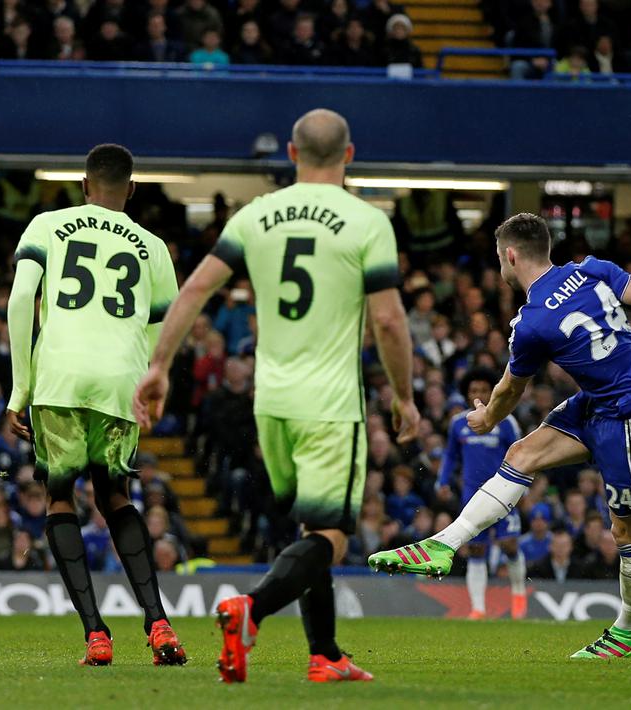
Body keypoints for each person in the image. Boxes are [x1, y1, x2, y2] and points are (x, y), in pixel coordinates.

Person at [370, 212, 631, 659]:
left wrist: (486, 419)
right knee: (521, 453)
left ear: (509, 255)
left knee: (627, 529)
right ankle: (443, 545)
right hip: (599, 401)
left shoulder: (530, 325)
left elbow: (509, 389)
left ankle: (629, 630)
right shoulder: (592, 270)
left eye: (499, 260)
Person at [134, 109, 420, 683]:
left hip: (272, 404)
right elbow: (388, 322)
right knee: (334, 536)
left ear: (290, 154)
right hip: (330, 404)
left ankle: (326, 655)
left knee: (312, 532)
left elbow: (194, 289)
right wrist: (404, 396)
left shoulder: (254, 216)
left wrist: (159, 365)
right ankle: (251, 610)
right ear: (349, 155)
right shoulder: (367, 222)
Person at [5, 144, 187, 667]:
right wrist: (153, 384)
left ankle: (96, 635)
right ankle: (158, 624)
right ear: (131, 189)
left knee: (60, 498)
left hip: (59, 378)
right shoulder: (153, 246)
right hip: (120, 382)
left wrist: (21, 388)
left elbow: (21, 300)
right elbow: (164, 328)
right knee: (115, 497)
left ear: (84, 186)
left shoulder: (47, 225)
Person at [438, 368, 527, 620]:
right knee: (476, 549)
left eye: (483, 390)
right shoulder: (458, 423)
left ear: (492, 392)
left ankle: (518, 594)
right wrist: (443, 481)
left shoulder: (506, 422)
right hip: (471, 493)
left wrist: (524, 487)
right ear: (467, 394)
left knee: (509, 544)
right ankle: (478, 608)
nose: (479, 394)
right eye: (474, 390)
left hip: (504, 492)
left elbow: (521, 454)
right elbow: (450, 456)